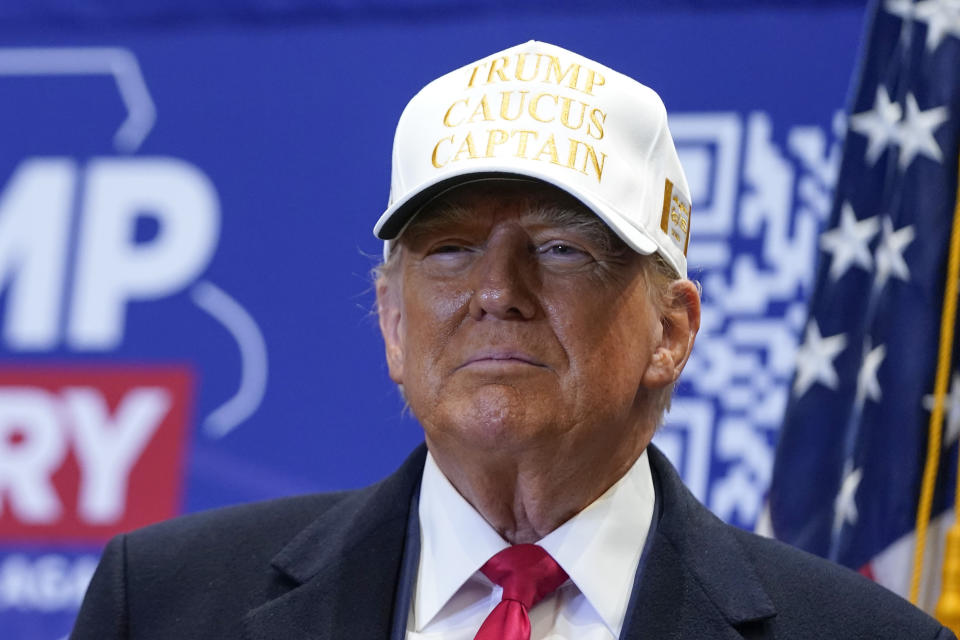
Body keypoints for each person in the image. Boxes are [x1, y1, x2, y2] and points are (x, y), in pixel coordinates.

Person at [70, 40, 953, 640]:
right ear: (391, 320)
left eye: (561, 249)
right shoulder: (164, 604)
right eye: (450, 249)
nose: (498, 291)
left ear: (672, 330)